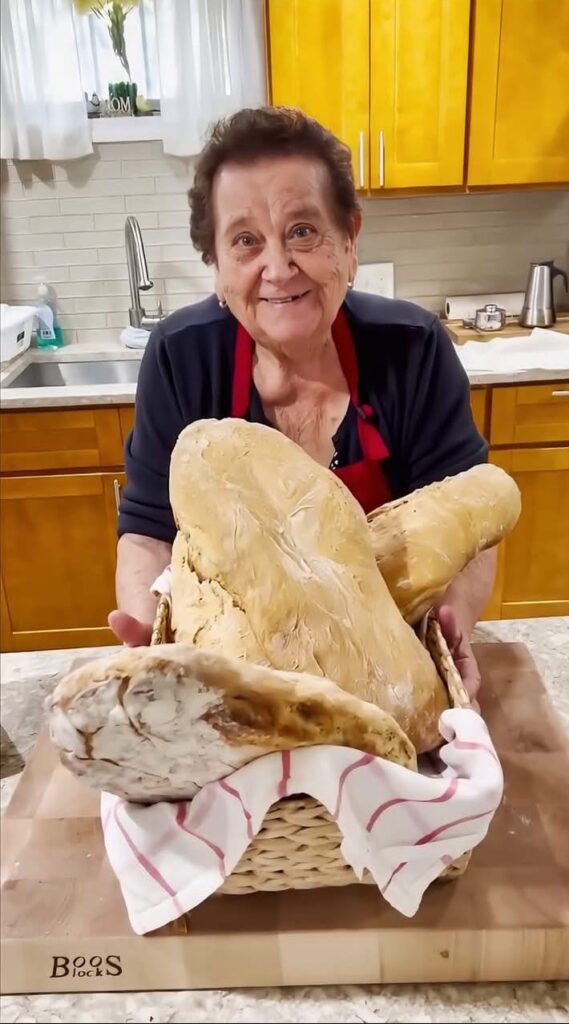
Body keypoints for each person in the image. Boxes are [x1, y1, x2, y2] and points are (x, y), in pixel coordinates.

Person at [109, 106, 496, 704]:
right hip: (239, 684)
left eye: (303, 231)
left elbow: (470, 527)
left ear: (350, 239)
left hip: (389, 677)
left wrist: (453, 626)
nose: (277, 267)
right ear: (216, 266)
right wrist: (151, 642)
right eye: (245, 241)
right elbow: (148, 531)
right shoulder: (181, 357)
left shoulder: (413, 348)